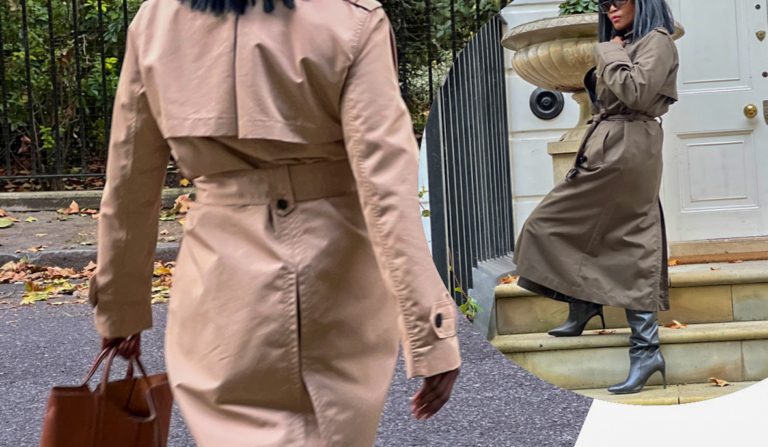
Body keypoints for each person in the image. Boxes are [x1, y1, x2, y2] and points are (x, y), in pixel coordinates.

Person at [87, 0, 462, 444]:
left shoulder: (156, 20)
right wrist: (430, 330)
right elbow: (386, 187)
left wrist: (120, 309)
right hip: (331, 277)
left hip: (216, 287)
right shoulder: (349, 17)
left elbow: (130, 184)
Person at [513, 0, 679, 395]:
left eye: (617, 1)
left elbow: (635, 93)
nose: (609, 9)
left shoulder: (656, 41)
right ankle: (585, 303)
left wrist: (608, 50)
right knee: (575, 227)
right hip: (613, 144)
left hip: (628, 149)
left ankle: (645, 350)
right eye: (604, 4)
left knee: (629, 237)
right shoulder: (630, 41)